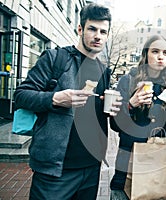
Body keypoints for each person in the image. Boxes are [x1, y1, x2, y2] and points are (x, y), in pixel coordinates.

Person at [14, 3, 121, 200]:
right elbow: (21, 95)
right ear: (80, 29)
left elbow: (104, 116)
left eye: (103, 31)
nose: (98, 35)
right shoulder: (56, 58)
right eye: (92, 29)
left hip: (91, 166)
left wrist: (114, 110)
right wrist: (55, 98)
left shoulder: (103, 70)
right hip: (55, 169)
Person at [109, 35, 166, 200]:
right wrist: (131, 104)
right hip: (128, 157)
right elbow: (114, 124)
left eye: (165, 52)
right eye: (155, 51)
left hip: (158, 159)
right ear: (145, 54)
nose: (160, 56)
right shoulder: (128, 81)